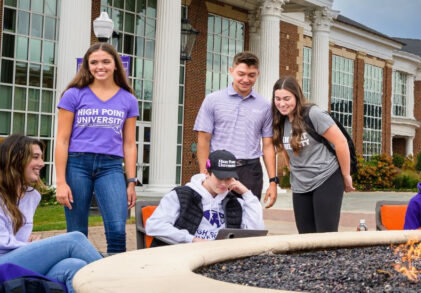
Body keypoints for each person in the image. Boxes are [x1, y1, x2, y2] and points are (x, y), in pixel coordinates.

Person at [55, 42, 139, 254]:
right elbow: (62, 140)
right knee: (76, 232)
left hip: (110, 167)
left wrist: (131, 181)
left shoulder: (128, 99)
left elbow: (129, 144)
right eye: (94, 62)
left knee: (118, 229)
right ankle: (79, 278)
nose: (99, 66)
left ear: (115, 65)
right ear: (87, 66)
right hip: (77, 164)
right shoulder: (73, 95)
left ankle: (114, 281)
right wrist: (61, 182)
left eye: (105, 62)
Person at [0, 134, 102, 292]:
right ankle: (119, 284)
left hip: (15, 263)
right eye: (35, 157)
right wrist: (30, 245)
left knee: (76, 266)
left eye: (42, 157)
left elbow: (15, 239)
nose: (41, 163)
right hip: (3, 265)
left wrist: (27, 243)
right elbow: (3, 244)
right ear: (15, 159)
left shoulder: (32, 196)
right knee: (74, 240)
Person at [271, 77, 354, 233]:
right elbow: (288, 152)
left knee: (325, 235)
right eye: (278, 99)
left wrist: (346, 175)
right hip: (300, 184)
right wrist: (294, 171)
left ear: (297, 96)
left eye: (287, 98)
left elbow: (341, 143)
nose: (282, 104)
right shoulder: (279, 121)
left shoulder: (313, 114)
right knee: (305, 236)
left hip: (326, 177)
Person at [194, 51, 278, 207]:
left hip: (250, 171)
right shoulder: (212, 100)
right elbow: (203, 139)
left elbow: (267, 146)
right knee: (215, 217)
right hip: (218, 168)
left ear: (258, 74)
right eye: (241, 74)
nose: (246, 79)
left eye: (251, 75)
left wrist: (273, 182)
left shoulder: (265, 106)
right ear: (231, 71)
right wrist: (203, 173)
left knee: (249, 220)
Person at [145, 150, 264, 246]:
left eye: (228, 178)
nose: (223, 183)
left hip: (221, 259)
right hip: (183, 256)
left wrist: (247, 194)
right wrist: (192, 239)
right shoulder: (181, 195)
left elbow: (256, 232)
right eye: (219, 178)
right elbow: (154, 225)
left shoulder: (235, 202)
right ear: (206, 173)